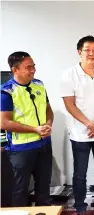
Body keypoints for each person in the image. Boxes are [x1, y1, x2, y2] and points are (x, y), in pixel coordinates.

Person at [60, 35, 94, 215]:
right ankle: (80, 207)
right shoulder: (69, 74)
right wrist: (89, 124)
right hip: (80, 133)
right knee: (80, 174)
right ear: (79, 52)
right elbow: (69, 104)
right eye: (87, 50)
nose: (91, 53)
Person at [1, 51, 54, 206]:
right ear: (15, 70)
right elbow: (4, 122)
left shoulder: (39, 84)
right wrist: (35, 129)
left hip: (44, 144)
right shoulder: (6, 91)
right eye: (28, 67)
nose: (33, 70)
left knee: (44, 187)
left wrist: (48, 124)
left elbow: (48, 109)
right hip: (21, 149)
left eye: (33, 66)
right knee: (20, 189)